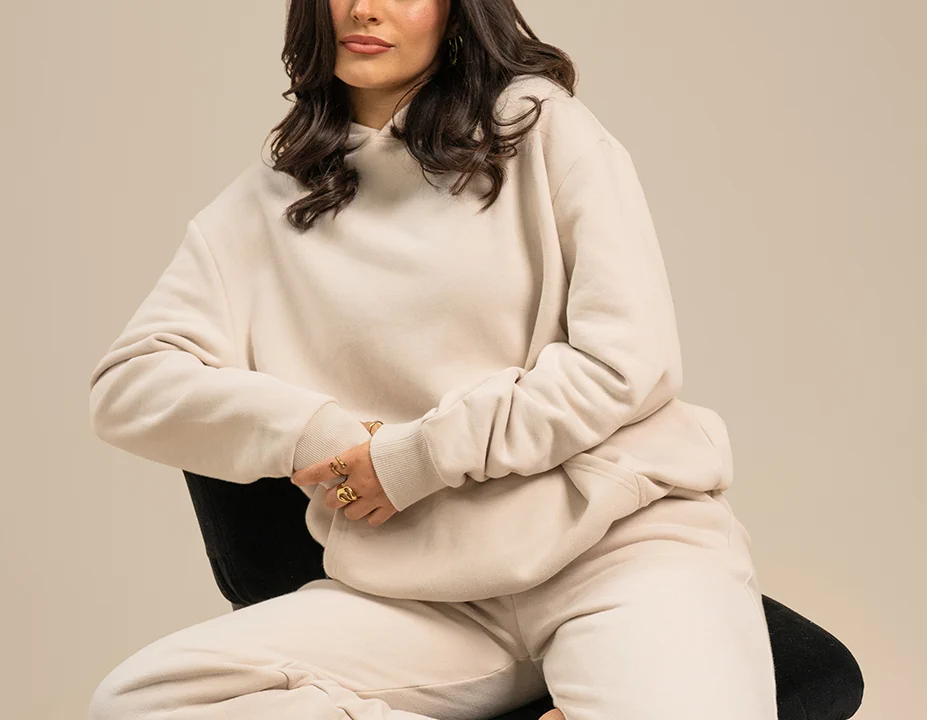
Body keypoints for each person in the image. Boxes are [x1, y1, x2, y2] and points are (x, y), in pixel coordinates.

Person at [87, 1, 779, 718]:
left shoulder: (538, 127)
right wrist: (319, 433)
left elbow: (624, 365)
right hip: (423, 599)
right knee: (143, 701)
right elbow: (129, 384)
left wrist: (417, 456)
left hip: (618, 546)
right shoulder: (265, 202)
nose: (365, 9)